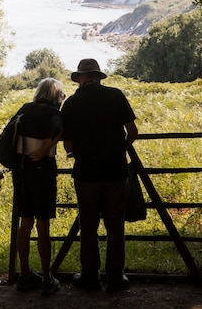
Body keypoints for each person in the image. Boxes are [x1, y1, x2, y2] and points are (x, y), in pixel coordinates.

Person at [61, 58, 138, 293]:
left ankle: (90, 277)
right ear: (98, 76)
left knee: (89, 225)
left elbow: (68, 145)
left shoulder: (72, 103)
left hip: (86, 173)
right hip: (115, 170)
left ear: (80, 78)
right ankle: (115, 278)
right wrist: (117, 150)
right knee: (115, 226)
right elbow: (133, 132)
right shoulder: (115, 95)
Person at [12, 77, 64, 295]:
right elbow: (63, 131)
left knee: (25, 222)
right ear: (55, 96)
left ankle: (24, 274)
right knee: (43, 225)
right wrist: (45, 149)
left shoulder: (25, 109)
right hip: (43, 171)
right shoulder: (54, 114)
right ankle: (46, 277)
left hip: (22, 170)